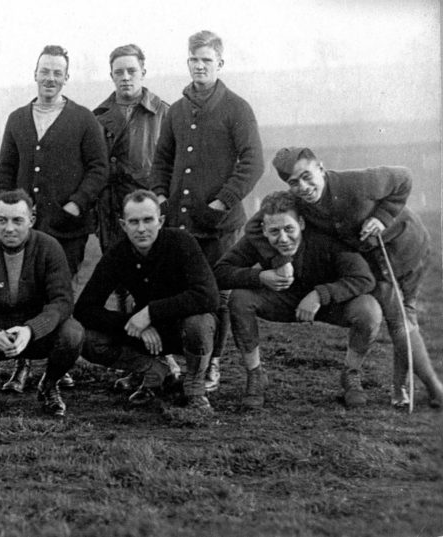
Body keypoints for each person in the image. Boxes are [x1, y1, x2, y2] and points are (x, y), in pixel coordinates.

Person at [252, 147, 443, 409]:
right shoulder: (297, 202)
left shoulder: (359, 182)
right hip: (373, 266)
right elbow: (255, 226)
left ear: (320, 168)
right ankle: (411, 388)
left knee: (404, 315)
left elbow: (404, 177)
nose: (304, 187)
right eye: (294, 183)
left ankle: (421, 388)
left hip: (406, 249)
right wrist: (279, 261)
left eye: (307, 176)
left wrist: (381, 217)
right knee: (400, 316)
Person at [150, 31, 263, 394]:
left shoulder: (237, 108)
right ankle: (176, 361)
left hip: (219, 228)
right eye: (193, 60)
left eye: (207, 61)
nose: (199, 66)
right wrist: (159, 198)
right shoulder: (177, 110)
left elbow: (253, 162)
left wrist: (221, 202)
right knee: (177, 291)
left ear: (220, 64)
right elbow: (163, 160)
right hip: (180, 225)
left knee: (218, 297)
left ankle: (213, 363)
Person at [0, 45, 105, 393]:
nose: (51, 78)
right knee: (23, 295)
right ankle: (22, 367)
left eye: (58, 73)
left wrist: (76, 204)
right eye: (45, 71)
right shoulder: (17, 118)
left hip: (67, 229)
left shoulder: (84, 119)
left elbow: (99, 168)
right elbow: (6, 171)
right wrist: (7, 214)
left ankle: (58, 366)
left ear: (66, 78)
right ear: (35, 73)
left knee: (61, 294)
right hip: (25, 229)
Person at [216, 192, 382, 408]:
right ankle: (255, 375)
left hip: (328, 305)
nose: (283, 239)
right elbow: (220, 271)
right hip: (281, 302)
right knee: (239, 298)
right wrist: (259, 277)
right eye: (274, 231)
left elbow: (363, 278)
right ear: (263, 230)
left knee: (369, 309)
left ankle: (351, 374)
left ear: (302, 223)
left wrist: (321, 294)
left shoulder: (326, 237)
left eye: (289, 229)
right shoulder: (254, 242)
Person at [74, 190, 219, 410]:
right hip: (147, 334)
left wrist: (150, 312)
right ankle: (154, 371)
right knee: (86, 338)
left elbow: (208, 296)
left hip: (184, 330)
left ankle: (194, 387)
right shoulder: (117, 254)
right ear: (123, 225)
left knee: (198, 323)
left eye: (148, 220)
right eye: (134, 222)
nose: (141, 229)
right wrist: (133, 323)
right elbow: (84, 309)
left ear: (160, 221)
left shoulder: (182, 241)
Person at [0, 190, 83, 417]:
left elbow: (63, 302)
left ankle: (48, 385)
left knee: (73, 333)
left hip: (35, 335)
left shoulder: (50, 248)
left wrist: (31, 330)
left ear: (31, 220)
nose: (9, 228)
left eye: (17, 220)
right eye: (2, 220)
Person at [93, 44, 169, 255]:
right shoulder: (96, 118)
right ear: (112, 76)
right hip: (112, 213)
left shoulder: (164, 114)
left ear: (143, 73)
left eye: (131, 71)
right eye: (119, 72)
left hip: (149, 209)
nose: (125, 77)